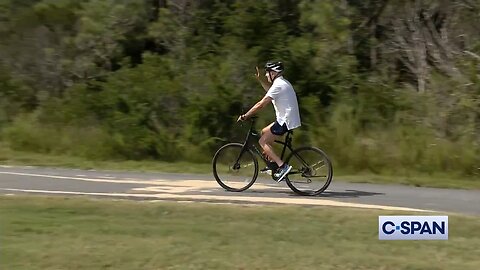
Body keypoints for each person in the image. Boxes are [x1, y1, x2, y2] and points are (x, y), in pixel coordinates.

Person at [237, 61, 301, 182]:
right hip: (286, 119)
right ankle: (272, 164)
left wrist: (246, 115)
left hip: (285, 120)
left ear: (273, 73)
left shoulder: (278, 85)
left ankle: (282, 166)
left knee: (262, 141)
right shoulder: (281, 83)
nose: (266, 75)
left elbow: (261, 104)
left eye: (267, 73)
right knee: (264, 132)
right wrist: (260, 80)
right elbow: (269, 91)